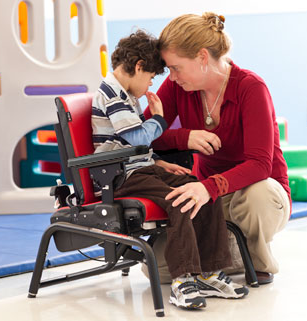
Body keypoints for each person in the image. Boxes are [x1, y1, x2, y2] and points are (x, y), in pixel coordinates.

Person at [91, 29, 249, 310]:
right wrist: (161, 119)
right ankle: (182, 281)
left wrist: (157, 162)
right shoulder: (112, 96)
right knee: (180, 201)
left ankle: (209, 272)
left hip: (139, 169)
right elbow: (138, 137)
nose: (152, 83)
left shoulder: (124, 95)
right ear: (139, 66)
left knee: (200, 188)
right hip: (119, 177)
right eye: (151, 77)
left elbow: (135, 146)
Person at [143, 12, 291, 285]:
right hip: (212, 197)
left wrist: (207, 187)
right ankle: (233, 250)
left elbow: (260, 165)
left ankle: (256, 259)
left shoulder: (250, 87)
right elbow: (142, 135)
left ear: (201, 57)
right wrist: (183, 137)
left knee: (259, 195)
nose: (172, 76)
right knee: (159, 267)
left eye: (176, 67)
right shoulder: (178, 86)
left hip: (258, 193)